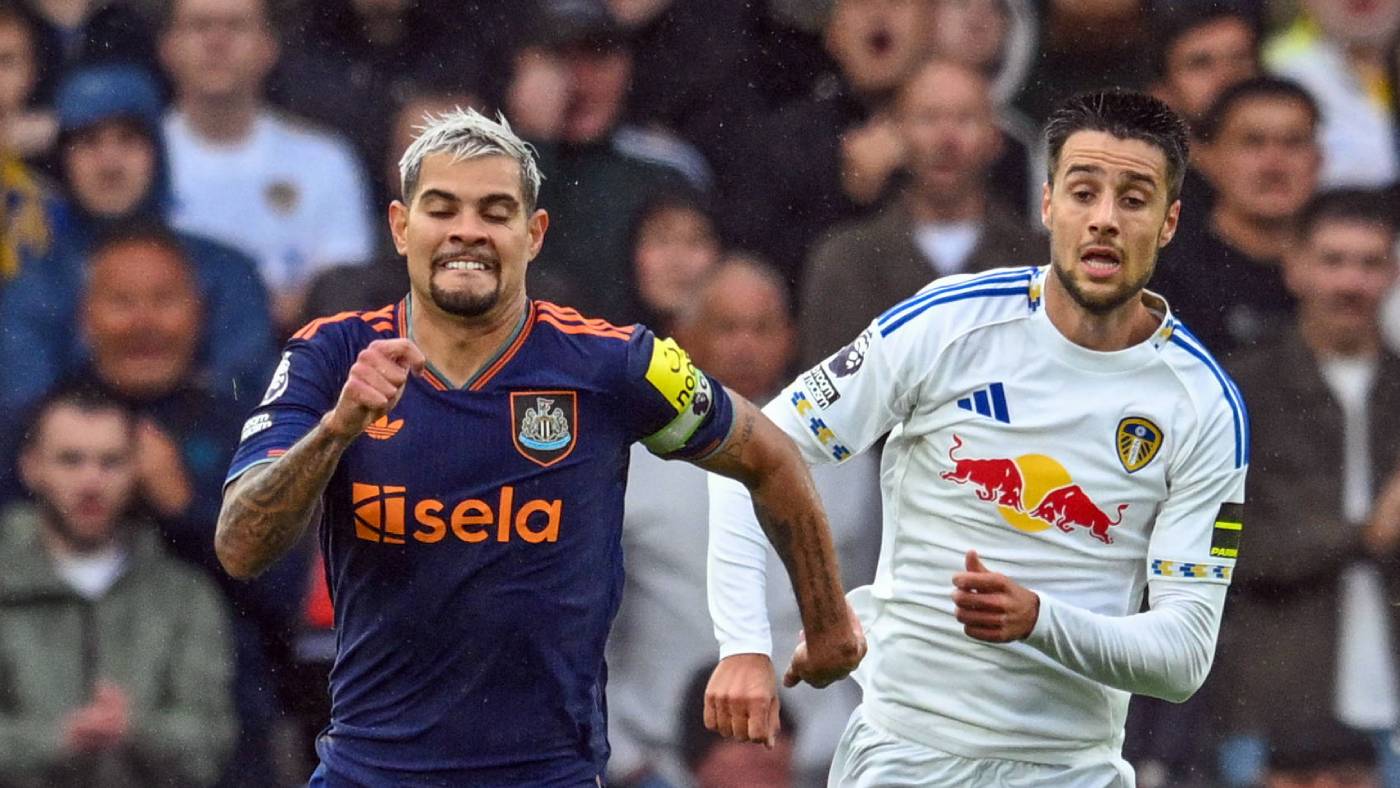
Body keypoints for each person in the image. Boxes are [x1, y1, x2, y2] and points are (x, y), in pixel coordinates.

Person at [215, 108, 864, 785]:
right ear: (401, 227)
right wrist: (335, 431)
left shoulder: (615, 364)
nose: (468, 230)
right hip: (369, 771)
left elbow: (769, 454)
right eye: (442, 208)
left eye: (496, 212)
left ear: (534, 234)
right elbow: (240, 545)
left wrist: (827, 624)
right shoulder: (332, 355)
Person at [706, 91, 1248, 786]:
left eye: (1135, 199)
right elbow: (750, 449)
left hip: (1068, 770)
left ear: (1170, 220)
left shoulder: (1202, 404)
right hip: (906, 755)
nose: (1105, 219)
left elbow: (1184, 657)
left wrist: (1039, 620)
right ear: (1048, 204)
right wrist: (744, 644)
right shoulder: (948, 326)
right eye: (1084, 192)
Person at [606, 256, 881, 787]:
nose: (746, 345)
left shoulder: (847, 459)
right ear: (682, 339)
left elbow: (874, 604)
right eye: (727, 327)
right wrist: (622, 756)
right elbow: (596, 623)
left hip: (820, 762)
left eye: (762, 328)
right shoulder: (627, 459)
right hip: (656, 761)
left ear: (790, 338)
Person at [1212, 189, 1400, 788]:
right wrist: (1365, 533)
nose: (1351, 282)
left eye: (1370, 263)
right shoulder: (1241, 389)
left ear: (1393, 273)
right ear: (1294, 267)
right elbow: (1224, 547)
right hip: (1273, 702)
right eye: (1333, 260)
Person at [0, 382, 236, 787]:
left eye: (110, 462)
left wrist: (136, 730)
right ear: (30, 467)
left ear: (137, 469)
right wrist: (56, 740)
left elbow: (212, 745)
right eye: (70, 460)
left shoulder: (184, 595)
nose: (91, 482)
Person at [798, 58, 1047, 368]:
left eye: (965, 119)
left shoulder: (1041, 262)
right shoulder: (846, 261)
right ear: (896, 131)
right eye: (928, 118)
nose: (946, 139)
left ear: (995, 138)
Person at [157, 0, 375, 331]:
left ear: (268, 47)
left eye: (236, 27)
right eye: (200, 26)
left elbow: (344, 289)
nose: (217, 42)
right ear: (167, 47)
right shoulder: (139, 161)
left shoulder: (326, 161)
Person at [1153, 76, 1320, 361]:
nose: (1274, 165)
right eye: (1252, 143)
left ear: (1319, 158)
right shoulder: (1162, 273)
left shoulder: (1350, 266)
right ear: (1208, 157)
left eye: (1293, 143)